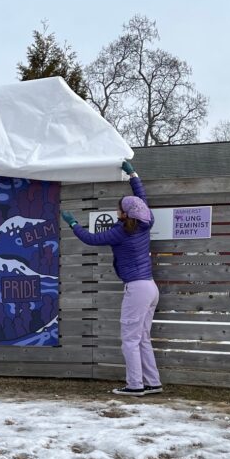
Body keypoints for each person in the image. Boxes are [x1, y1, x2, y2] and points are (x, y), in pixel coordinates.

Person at [61, 160, 162, 397]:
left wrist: (73, 223)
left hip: (136, 288)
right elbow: (141, 198)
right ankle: (153, 382)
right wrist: (133, 175)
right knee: (142, 338)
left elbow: (91, 239)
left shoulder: (121, 232)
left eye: (118, 209)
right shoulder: (145, 223)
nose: (116, 211)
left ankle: (135, 385)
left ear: (125, 213)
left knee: (129, 339)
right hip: (150, 287)